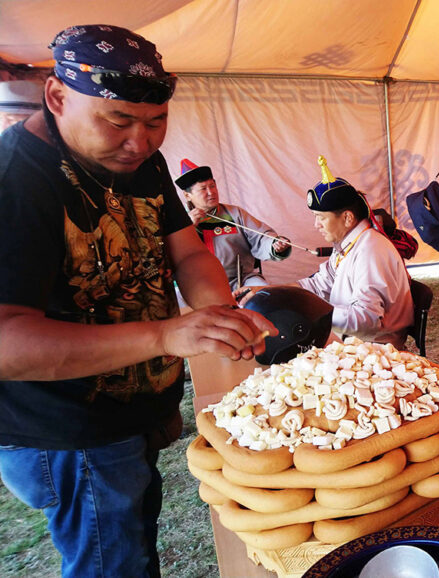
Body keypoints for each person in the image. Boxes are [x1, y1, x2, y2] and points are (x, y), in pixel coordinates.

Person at [0, 25, 275, 578]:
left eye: (156, 122)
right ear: (57, 97)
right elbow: (6, 341)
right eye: (118, 120)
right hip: (69, 431)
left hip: (129, 411)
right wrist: (166, 335)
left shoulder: (140, 160)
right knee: (113, 565)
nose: (141, 141)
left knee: (134, 550)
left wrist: (218, 315)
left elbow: (189, 253)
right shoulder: (17, 180)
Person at [241, 157, 412, 349]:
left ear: (347, 218)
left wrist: (310, 310)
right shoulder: (350, 244)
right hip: (351, 341)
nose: (316, 225)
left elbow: (368, 320)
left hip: (374, 349)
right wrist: (272, 292)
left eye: (321, 218)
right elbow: (318, 284)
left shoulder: (370, 251)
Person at [175, 158, 292, 292]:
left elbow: (260, 236)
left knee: (263, 293)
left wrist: (274, 244)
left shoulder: (234, 214)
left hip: (240, 280)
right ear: (187, 195)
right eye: (203, 188)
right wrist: (188, 227)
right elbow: (172, 255)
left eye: (212, 186)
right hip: (198, 286)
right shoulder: (179, 221)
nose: (211, 192)